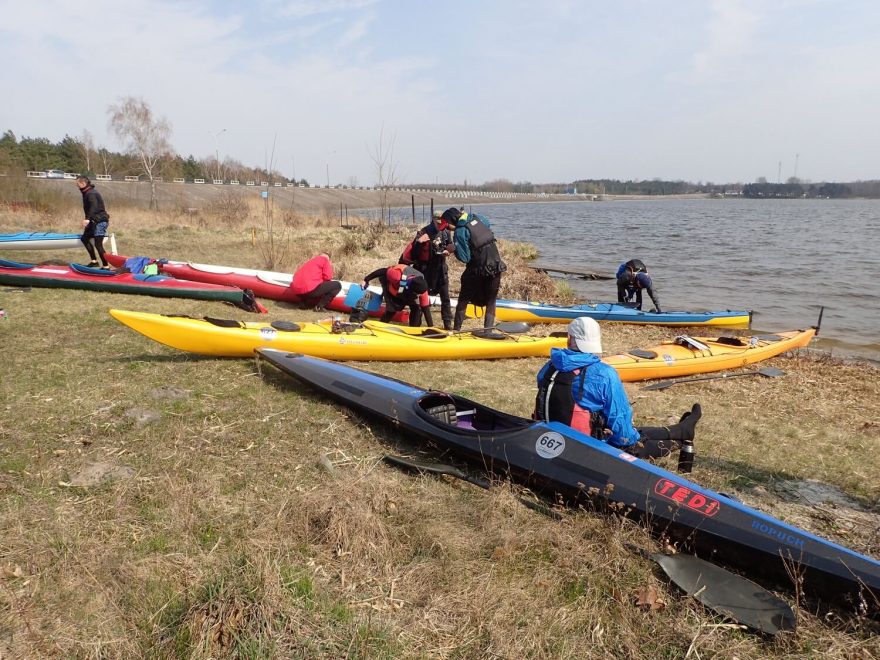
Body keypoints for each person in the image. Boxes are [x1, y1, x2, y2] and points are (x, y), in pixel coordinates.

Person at [534, 317, 701, 462]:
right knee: (633, 442)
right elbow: (622, 430)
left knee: (634, 432)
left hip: (547, 438)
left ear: (569, 338)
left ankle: (683, 429)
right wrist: (632, 438)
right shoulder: (604, 374)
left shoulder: (549, 367)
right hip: (584, 449)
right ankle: (682, 441)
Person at [443, 207, 507, 331]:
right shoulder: (479, 218)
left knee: (463, 299)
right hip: (496, 265)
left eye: (447, 224)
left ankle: (456, 331)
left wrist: (453, 249)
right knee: (491, 301)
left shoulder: (460, 231)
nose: (447, 228)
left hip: (478, 269)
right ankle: (488, 331)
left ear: (452, 221)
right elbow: (486, 227)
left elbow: (465, 258)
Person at [401, 209, 454, 329]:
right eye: (438, 221)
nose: (441, 223)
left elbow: (451, 244)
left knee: (445, 297)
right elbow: (413, 254)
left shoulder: (446, 231)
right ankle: (415, 326)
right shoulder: (423, 232)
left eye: (443, 221)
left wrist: (448, 250)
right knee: (419, 299)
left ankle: (448, 325)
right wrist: (419, 243)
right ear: (433, 220)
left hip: (440, 268)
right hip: (424, 270)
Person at [362, 262, 434, 327]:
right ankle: (380, 326)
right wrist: (366, 280)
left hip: (404, 290)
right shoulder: (397, 276)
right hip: (388, 281)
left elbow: (426, 309)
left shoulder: (422, 288)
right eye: (417, 294)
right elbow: (382, 271)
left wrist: (431, 328)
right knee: (392, 308)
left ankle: (413, 331)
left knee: (416, 309)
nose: (418, 296)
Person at [76, 175, 111, 269]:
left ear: (83, 183)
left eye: (77, 184)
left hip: (100, 221)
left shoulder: (91, 193)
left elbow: (94, 207)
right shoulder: (87, 192)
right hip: (93, 221)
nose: (77, 186)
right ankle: (94, 261)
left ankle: (106, 266)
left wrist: (87, 218)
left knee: (98, 244)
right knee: (84, 238)